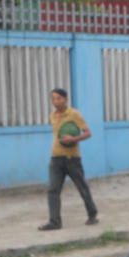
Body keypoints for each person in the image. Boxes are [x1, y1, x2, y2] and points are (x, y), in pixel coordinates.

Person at [39, 87, 99, 230]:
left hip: (72, 158)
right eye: (53, 99)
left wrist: (73, 139)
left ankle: (92, 215)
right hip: (56, 158)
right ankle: (55, 222)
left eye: (59, 98)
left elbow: (88, 133)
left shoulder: (74, 114)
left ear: (66, 99)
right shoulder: (52, 116)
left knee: (81, 187)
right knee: (53, 190)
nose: (56, 101)